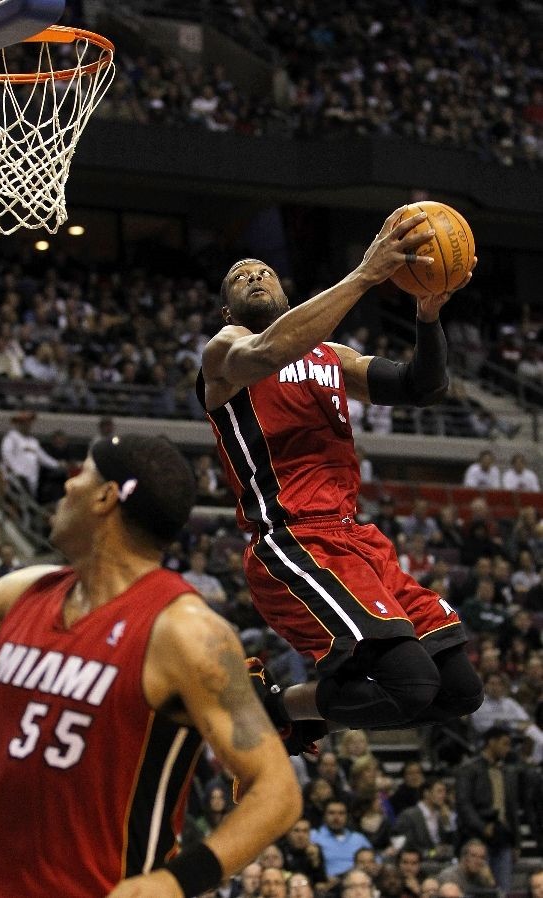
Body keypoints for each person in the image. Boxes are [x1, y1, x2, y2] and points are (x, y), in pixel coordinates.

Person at [0, 434, 302, 898]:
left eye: (81, 474)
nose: (67, 485)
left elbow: (277, 791)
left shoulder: (185, 632)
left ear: (106, 496)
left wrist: (177, 882)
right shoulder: (22, 593)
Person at [196, 207, 483, 746]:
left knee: (458, 690)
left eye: (263, 270)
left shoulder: (332, 355)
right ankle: (272, 710)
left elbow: (422, 386)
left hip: (355, 539)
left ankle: (278, 709)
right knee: (411, 682)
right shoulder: (225, 351)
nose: (254, 275)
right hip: (293, 540)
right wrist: (365, 273)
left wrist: (427, 316)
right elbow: (269, 350)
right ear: (226, 305)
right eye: (240, 275)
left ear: (283, 288)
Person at [454, 727, 519, 895]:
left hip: (503, 836)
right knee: (475, 889)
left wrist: (516, 841)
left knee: (502, 891)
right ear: (491, 742)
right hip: (476, 838)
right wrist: (482, 827)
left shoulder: (507, 771)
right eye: (504, 744)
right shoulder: (469, 769)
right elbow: (463, 804)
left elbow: (511, 808)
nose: (508, 749)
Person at [0, 410, 63, 498]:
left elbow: (43, 458)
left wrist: (57, 464)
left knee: (28, 505)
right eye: (24, 422)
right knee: (16, 503)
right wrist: (16, 471)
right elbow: (6, 455)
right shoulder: (11, 437)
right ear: (18, 423)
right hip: (17, 478)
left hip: (31, 480)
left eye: (29, 422)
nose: (27, 424)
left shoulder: (33, 441)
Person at [392, 777, 455, 861]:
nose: (444, 795)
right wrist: (433, 853)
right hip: (419, 862)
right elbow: (406, 847)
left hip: (441, 860)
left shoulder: (442, 815)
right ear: (427, 793)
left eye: (444, 791)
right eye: (439, 791)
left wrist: (447, 822)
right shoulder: (409, 815)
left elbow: (449, 843)